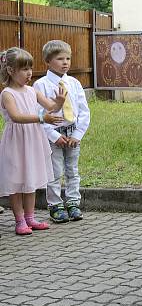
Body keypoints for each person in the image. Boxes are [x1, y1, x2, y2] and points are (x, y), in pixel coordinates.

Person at [0, 47, 65, 235]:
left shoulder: (32, 90)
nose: (29, 73)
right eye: (24, 69)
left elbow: (50, 106)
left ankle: (30, 218)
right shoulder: (7, 94)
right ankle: (19, 220)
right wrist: (42, 118)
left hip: (32, 139)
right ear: (11, 70)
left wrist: (59, 102)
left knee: (30, 178)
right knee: (16, 180)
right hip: (16, 141)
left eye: (30, 68)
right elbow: (16, 117)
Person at [33, 40, 91, 223]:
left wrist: (77, 135)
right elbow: (39, 114)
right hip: (54, 137)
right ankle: (55, 205)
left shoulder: (74, 83)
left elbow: (83, 111)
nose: (65, 62)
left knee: (72, 170)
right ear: (48, 61)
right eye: (60, 59)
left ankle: (73, 202)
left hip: (72, 135)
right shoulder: (40, 86)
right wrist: (54, 136)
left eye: (68, 58)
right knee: (54, 171)